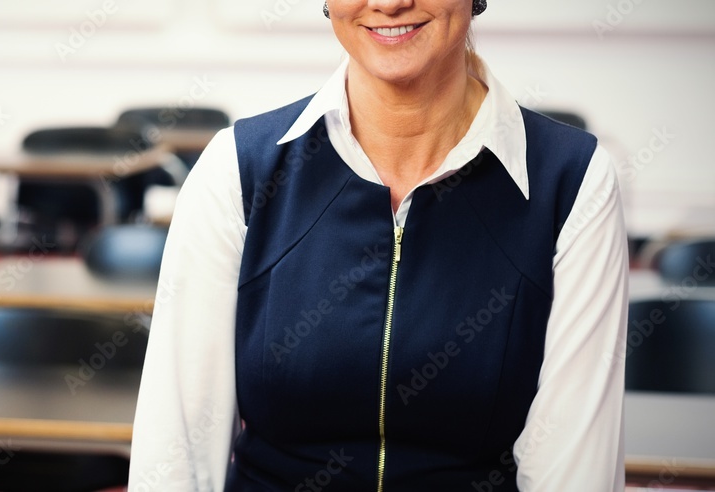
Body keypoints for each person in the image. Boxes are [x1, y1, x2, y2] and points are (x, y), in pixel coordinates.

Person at [129, 0, 628, 490]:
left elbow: (572, 467)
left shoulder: (573, 181)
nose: (391, 3)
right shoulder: (238, 169)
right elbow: (177, 455)